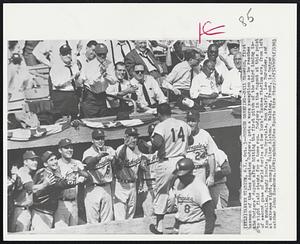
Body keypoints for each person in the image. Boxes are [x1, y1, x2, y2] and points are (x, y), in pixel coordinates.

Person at [149, 103, 193, 234]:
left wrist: (150, 145)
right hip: (182, 160)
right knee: (182, 194)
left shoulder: (161, 125)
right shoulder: (183, 124)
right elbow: (190, 140)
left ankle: (159, 227)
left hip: (167, 161)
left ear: (159, 114)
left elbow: (157, 143)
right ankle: (181, 225)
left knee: (162, 193)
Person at [31, 151, 73, 231]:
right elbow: (59, 185)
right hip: (41, 213)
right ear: (45, 164)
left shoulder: (52, 173)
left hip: (47, 213)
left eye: (55, 159)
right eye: (51, 160)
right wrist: (73, 181)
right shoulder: (44, 174)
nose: (55, 161)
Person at [172, 158, 216, 234]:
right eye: (178, 175)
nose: (180, 177)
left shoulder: (200, 187)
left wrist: (207, 234)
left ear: (191, 172)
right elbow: (180, 209)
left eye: (183, 175)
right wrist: (176, 228)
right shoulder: (177, 183)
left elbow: (210, 214)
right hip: (182, 226)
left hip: (196, 226)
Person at [113, 127, 148, 220]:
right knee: (120, 218)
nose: (134, 140)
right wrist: (125, 145)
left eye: (135, 137)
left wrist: (141, 183)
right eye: (131, 137)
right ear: (126, 138)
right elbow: (119, 160)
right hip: (121, 186)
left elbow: (139, 167)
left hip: (133, 185)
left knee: (130, 217)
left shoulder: (138, 149)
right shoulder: (121, 149)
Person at [82, 129, 115, 224]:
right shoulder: (88, 152)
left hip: (107, 187)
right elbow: (88, 163)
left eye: (102, 138)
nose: (100, 141)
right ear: (92, 140)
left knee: (108, 220)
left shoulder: (109, 149)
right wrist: (98, 157)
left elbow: (117, 164)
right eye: (97, 139)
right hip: (93, 188)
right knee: (92, 221)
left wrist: (114, 159)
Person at [54, 138, 89, 228]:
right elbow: (57, 184)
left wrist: (79, 172)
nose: (70, 150)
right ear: (60, 150)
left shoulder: (76, 162)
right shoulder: (56, 164)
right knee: (61, 233)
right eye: (66, 148)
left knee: (74, 232)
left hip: (74, 202)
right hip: (61, 203)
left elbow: (87, 176)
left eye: (71, 147)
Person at [80, 43, 115, 118]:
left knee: (104, 121)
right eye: (100, 54)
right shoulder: (90, 65)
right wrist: (100, 73)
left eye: (104, 54)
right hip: (91, 97)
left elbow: (113, 81)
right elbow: (91, 82)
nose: (102, 56)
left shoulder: (109, 64)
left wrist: (105, 75)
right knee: (91, 122)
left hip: (102, 96)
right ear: (95, 53)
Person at [49, 44, 84, 119]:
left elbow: (78, 84)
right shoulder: (56, 67)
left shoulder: (74, 66)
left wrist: (77, 79)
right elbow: (56, 83)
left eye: (69, 53)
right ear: (60, 55)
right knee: (62, 121)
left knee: (74, 119)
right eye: (65, 54)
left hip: (73, 95)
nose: (68, 56)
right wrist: (71, 78)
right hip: (61, 96)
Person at [185, 109, 217, 186]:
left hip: (201, 170)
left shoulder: (205, 135)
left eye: (193, 121)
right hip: (186, 172)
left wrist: (211, 176)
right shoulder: (183, 136)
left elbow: (211, 156)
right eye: (188, 121)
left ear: (198, 121)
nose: (190, 123)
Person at [11, 150, 39, 232]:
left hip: (23, 210)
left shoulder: (26, 172)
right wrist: (45, 184)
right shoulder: (23, 172)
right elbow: (32, 188)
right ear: (25, 162)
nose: (35, 162)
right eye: (32, 160)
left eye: (36, 160)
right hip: (21, 211)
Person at [136, 124, 159, 217]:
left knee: (162, 210)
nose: (152, 136)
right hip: (147, 183)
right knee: (148, 213)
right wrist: (141, 184)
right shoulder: (143, 147)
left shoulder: (163, 145)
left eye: (155, 134)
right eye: (151, 133)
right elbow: (140, 168)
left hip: (159, 182)